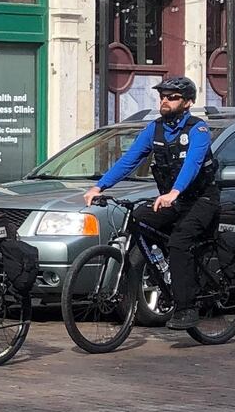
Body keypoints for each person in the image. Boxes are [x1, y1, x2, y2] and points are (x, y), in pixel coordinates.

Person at [83, 76, 217, 331]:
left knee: (179, 242)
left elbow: (194, 163)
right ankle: (161, 271)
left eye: (173, 97)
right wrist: (100, 186)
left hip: (201, 199)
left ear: (188, 103)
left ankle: (187, 308)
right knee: (139, 219)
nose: (165, 101)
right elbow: (129, 160)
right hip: (172, 200)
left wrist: (175, 191)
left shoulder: (198, 129)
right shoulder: (154, 129)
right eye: (163, 96)